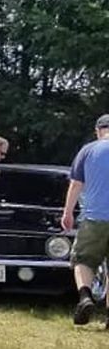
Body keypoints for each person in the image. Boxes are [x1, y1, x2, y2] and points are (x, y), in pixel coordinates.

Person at [64, 114, 109, 326]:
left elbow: (75, 185)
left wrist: (67, 213)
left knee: (83, 260)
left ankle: (84, 297)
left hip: (94, 217)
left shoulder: (88, 150)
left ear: (98, 130)